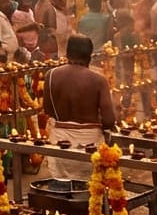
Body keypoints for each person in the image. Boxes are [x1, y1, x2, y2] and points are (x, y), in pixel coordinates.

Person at [42, 34, 116, 179]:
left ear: (67, 54)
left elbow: (48, 110)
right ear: (89, 57)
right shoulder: (99, 81)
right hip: (90, 148)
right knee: (91, 193)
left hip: (59, 146)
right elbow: (109, 120)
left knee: (61, 191)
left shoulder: (50, 75)